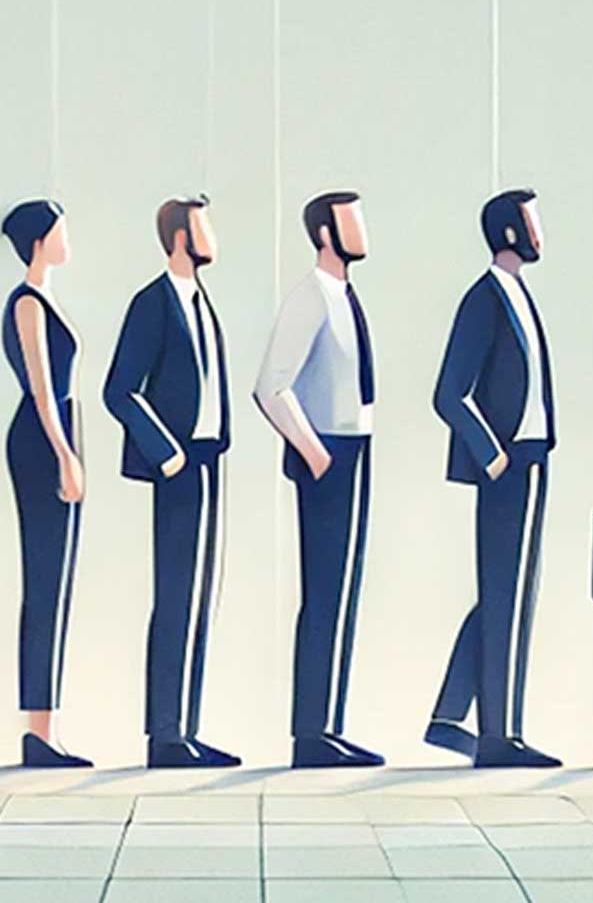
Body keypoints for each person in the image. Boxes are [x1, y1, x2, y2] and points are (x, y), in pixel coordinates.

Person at [427, 191, 561, 769]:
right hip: (506, 466)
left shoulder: (518, 294)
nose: (540, 233)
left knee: (510, 595)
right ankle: (498, 735)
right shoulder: (484, 300)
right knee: (505, 595)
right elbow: (449, 392)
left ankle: (456, 717)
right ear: (509, 233)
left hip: (531, 458)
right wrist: (493, 455)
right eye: (532, 222)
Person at [104, 195, 236, 768]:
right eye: (204, 226)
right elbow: (120, 389)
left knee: (202, 594)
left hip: (209, 459)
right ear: (181, 237)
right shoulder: (152, 303)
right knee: (176, 595)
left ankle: (187, 725)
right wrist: (167, 453)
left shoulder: (202, 301)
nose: (213, 237)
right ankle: (164, 734)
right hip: (178, 466)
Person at [255, 189, 383, 768]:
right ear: (326, 234)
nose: (361, 229)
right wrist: (314, 451)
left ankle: (330, 724)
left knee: (344, 592)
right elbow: (270, 385)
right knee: (324, 594)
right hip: (329, 456)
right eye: (351, 221)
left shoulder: (344, 295)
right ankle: (311, 732)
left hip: (354, 448)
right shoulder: (309, 298)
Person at [0, 200, 87, 769]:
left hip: (57, 435)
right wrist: (64, 454)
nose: (66, 237)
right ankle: (38, 730)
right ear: (38, 240)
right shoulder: (27, 302)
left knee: (58, 581)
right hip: (40, 439)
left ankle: (46, 727)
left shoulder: (42, 296)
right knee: (45, 580)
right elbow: (41, 387)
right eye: (59, 229)